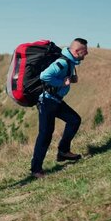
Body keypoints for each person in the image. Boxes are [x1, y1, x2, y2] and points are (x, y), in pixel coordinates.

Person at [30, 38, 89, 178]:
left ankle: (63, 152)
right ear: (76, 51)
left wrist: (69, 80)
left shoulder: (70, 62)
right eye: (84, 51)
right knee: (45, 135)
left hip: (55, 101)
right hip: (47, 102)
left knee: (74, 120)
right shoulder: (62, 63)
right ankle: (35, 169)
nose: (87, 53)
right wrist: (62, 82)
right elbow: (44, 76)